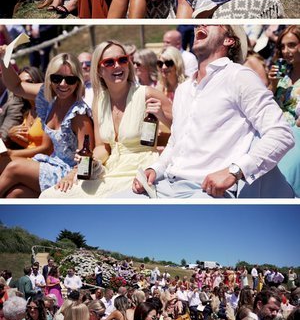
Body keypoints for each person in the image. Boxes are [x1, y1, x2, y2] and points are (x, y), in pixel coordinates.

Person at [118, 24, 294, 199]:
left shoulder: (239, 76)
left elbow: (281, 133)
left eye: (213, 23)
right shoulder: (183, 89)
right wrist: (155, 169)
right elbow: (175, 143)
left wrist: (235, 171)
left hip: (207, 191)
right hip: (165, 185)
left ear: (229, 40)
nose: (200, 25)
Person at [41, 40, 172, 199]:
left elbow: (183, 130)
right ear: (99, 70)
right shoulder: (99, 101)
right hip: (110, 169)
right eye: (109, 62)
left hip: (140, 170)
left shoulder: (147, 94)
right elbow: (102, 147)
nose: (117, 65)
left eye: (122, 60)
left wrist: (162, 117)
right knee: (49, 196)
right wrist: (88, 162)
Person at [0, 50, 93, 197]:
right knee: (15, 195)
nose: (63, 84)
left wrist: (71, 175)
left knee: (13, 167)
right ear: (49, 78)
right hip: (52, 163)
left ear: (78, 81)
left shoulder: (79, 115)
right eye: (57, 78)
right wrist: (4, 58)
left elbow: (87, 157)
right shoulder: (49, 96)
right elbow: (15, 86)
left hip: (67, 173)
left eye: (70, 80)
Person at [268, 25, 300, 197]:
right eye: (282, 46)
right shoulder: (283, 74)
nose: (286, 51)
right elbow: (267, 106)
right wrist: (272, 84)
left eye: (292, 45)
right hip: (276, 131)